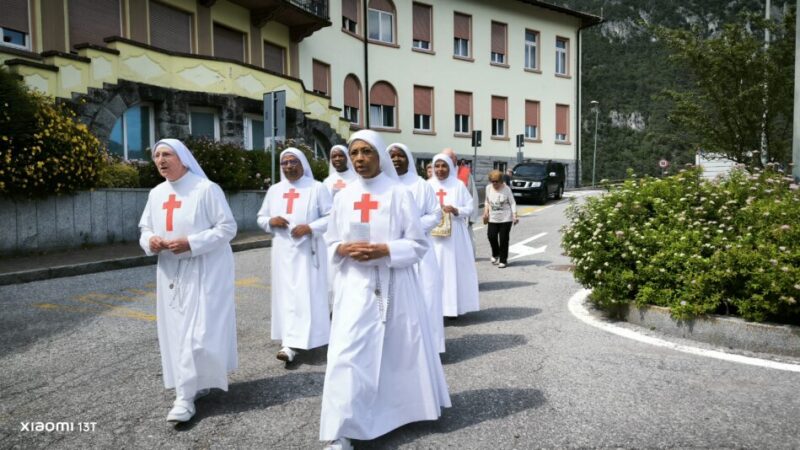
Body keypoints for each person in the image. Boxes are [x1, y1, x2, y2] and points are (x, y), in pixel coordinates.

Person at [320, 130, 450, 450]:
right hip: (354, 286)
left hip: (395, 285)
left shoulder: (398, 194)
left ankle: (398, 412)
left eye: (366, 152)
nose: (359, 159)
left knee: (397, 353)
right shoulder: (344, 197)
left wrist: (385, 250)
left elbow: (418, 244)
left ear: (379, 156)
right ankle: (341, 429)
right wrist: (341, 248)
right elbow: (330, 240)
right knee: (347, 354)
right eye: (355, 153)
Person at [138, 138, 238, 424]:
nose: (160, 160)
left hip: (205, 271)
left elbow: (227, 227)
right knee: (177, 333)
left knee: (198, 334)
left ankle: (192, 389)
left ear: (182, 158)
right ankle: (186, 394)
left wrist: (191, 243)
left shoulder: (205, 189)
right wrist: (151, 241)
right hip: (171, 272)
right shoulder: (156, 193)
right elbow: (145, 228)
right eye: (156, 155)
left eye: (166, 154)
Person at [257, 148, 332, 364]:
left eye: (293, 161)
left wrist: (310, 227)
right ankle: (289, 342)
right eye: (285, 163)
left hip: (308, 251)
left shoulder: (317, 188)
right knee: (286, 296)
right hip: (282, 252)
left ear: (302, 164)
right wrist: (271, 221)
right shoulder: (275, 190)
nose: (289, 166)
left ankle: (312, 338)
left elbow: (331, 216)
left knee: (306, 295)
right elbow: (261, 217)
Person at [388, 142, 445, 352]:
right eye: (391, 155)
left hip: (421, 252)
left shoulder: (421, 185)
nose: (396, 159)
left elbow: (435, 214)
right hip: (393, 252)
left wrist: (412, 226)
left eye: (400, 155)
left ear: (408, 159)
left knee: (427, 296)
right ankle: (400, 349)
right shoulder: (383, 185)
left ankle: (431, 347)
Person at [428, 154, 480, 318]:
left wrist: (456, 210)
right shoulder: (427, 185)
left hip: (454, 236)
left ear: (450, 167)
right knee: (434, 270)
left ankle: (453, 307)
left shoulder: (458, 185)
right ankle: (433, 307)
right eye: (437, 166)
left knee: (452, 270)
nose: (440, 169)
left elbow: (470, 207)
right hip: (433, 236)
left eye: (444, 165)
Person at [442, 148, 479, 258]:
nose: (447, 160)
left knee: (466, 246)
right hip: (442, 220)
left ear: (455, 159)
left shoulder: (464, 173)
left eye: (450, 157)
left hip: (462, 218)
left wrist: (472, 217)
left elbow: (473, 194)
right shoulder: (439, 174)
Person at [483, 169, 518, 268]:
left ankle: (503, 260)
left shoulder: (506, 189)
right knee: (491, 236)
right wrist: (486, 212)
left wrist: (514, 215)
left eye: (496, 181)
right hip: (493, 218)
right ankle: (496, 253)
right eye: (492, 181)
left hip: (505, 218)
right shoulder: (488, 188)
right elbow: (487, 201)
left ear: (501, 181)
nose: (494, 183)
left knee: (503, 239)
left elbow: (512, 202)